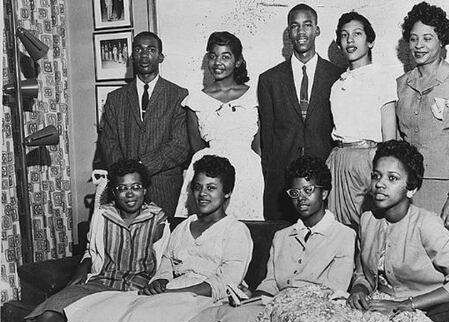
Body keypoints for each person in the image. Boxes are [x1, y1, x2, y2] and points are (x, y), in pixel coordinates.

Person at [245, 141, 449, 322]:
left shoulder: (427, 224)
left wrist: (406, 305)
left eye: (392, 178)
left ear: (411, 188)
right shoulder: (368, 221)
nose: (380, 184)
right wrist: (359, 290)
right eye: (376, 176)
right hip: (375, 307)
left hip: (412, 310)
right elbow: (363, 275)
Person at [60, 155, 254, 322]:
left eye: (211, 188)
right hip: (170, 293)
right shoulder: (183, 227)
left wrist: (172, 293)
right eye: (197, 187)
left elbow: (226, 283)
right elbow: (166, 265)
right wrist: (160, 281)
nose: (203, 194)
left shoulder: (235, 231)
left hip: (204, 299)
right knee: (99, 317)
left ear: (227, 192)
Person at [189, 155, 355, 322]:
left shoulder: (344, 235)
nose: (301, 198)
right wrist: (251, 297)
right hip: (274, 305)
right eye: (295, 192)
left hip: (314, 311)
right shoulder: (282, 236)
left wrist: (285, 299)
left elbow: (336, 287)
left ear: (324, 193)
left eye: (308, 190)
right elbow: (270, 283)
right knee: (211, 317)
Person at [24, 159, 171, 322]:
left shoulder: (158, 220)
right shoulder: (103, 215)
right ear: (114, 193)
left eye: (136, 187)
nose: (130, 194)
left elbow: (165, 261)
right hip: (100, 284)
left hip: (135, 291)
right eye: (122, 188)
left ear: (145, 190)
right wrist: (80, 272)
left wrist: (160, 282)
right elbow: (91, 251)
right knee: (49, 315)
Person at [259, 3, 344, 221]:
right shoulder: (269, 79)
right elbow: (267, 135)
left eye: (307, 25)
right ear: (288, 33)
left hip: (325, 173)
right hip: (283, 177)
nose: (301, 32)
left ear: (317, 30)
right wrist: (272, 172)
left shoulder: (338, 76)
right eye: (295, 26)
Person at [396, 2, 449, 227]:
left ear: (442, 41)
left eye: (427, 38)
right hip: (408, 190)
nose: (419, 45)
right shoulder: (401, 84)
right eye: (413, 39)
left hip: (447, 192)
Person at [99, 31, 189, 220]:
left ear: (160, 56)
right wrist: (127, 178)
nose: (144, 55)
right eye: (138, 49)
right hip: (124, 191)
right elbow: (109, 143)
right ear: (132, 56)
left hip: (164, 190)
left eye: (151, 50)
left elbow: (180, 146)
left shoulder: (178, 95)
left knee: (163, 245)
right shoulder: (115, 99)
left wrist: (141, 167)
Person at [175, 31, 263, 221]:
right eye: (213, 56)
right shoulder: (195, 100)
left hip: (247, 175)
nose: (218, 62)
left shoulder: (254, 96)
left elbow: (259, 146)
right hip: (209, 176)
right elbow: (197, 148)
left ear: (238, 61)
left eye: (225, 56)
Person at [326, 11, 397, 228]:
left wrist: (384, 171)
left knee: (371, 228)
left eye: (357, 34)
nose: (350, 40)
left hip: (368, 160)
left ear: (370, 41)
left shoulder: (382, 78)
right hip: (338, 161)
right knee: (339, 230)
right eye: (344, 35)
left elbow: (389, 134)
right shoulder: (337, 85)